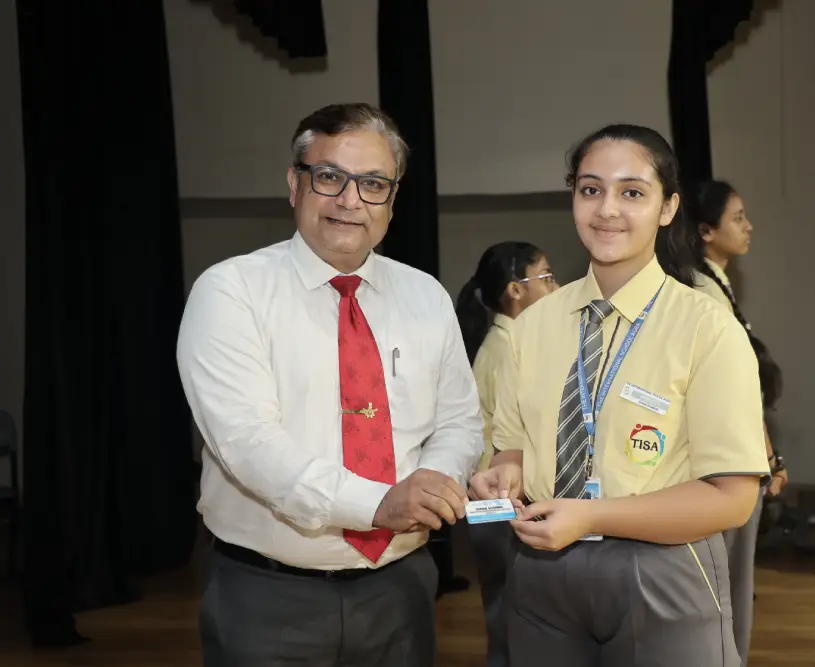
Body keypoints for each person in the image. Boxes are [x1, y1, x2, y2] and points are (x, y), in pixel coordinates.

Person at [176, 102, 484, 667]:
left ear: (391, 200)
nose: (349, 200)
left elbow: (459, 421)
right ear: (295, 184)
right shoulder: (231, 292)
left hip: (402, 587)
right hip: (269, 596)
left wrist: (434, 483)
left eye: (372, 184)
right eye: (329, 177)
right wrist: (378, 504)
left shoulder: (426, 296)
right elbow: (247, 443)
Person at [469, 124, 771, 666]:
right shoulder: (532, 326)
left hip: (661, 566)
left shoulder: (706, 327)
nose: (607, 209)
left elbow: (732, 497)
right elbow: (511, 447)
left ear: (667, 207)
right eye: (591, 189)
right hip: (540, 567)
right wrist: (505, 471)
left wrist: (593, 517)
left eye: (632, 192)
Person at [685, 179, 787, 666]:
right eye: (738, 218)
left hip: (730, 451)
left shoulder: (714, 284)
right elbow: (737, 387)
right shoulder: (703, 291)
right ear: (706, 230)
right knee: (728, 584)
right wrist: (769, 455)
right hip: (728, 457)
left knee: (729, 583)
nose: (749, 227)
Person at [455, 241, 559, 667]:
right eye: (546, 277)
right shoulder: (506, 350)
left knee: (508, 611)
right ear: (516, 290)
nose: (556, 287)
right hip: (499, 500)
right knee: (514, 617)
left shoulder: (512, 342)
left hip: (497, 498)